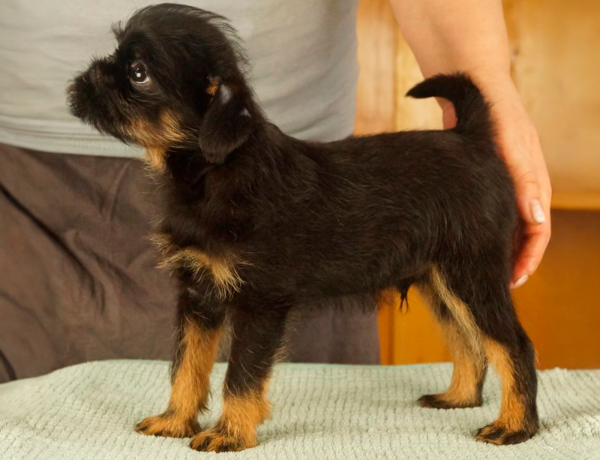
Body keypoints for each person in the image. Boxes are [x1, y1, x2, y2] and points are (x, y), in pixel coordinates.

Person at [0, 0, 551, 383]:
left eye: (137, 72)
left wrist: (486, 84)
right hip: (30, 181)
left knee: (328, 389)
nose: (102, 74)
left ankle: (502, 388)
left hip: (315, 179)